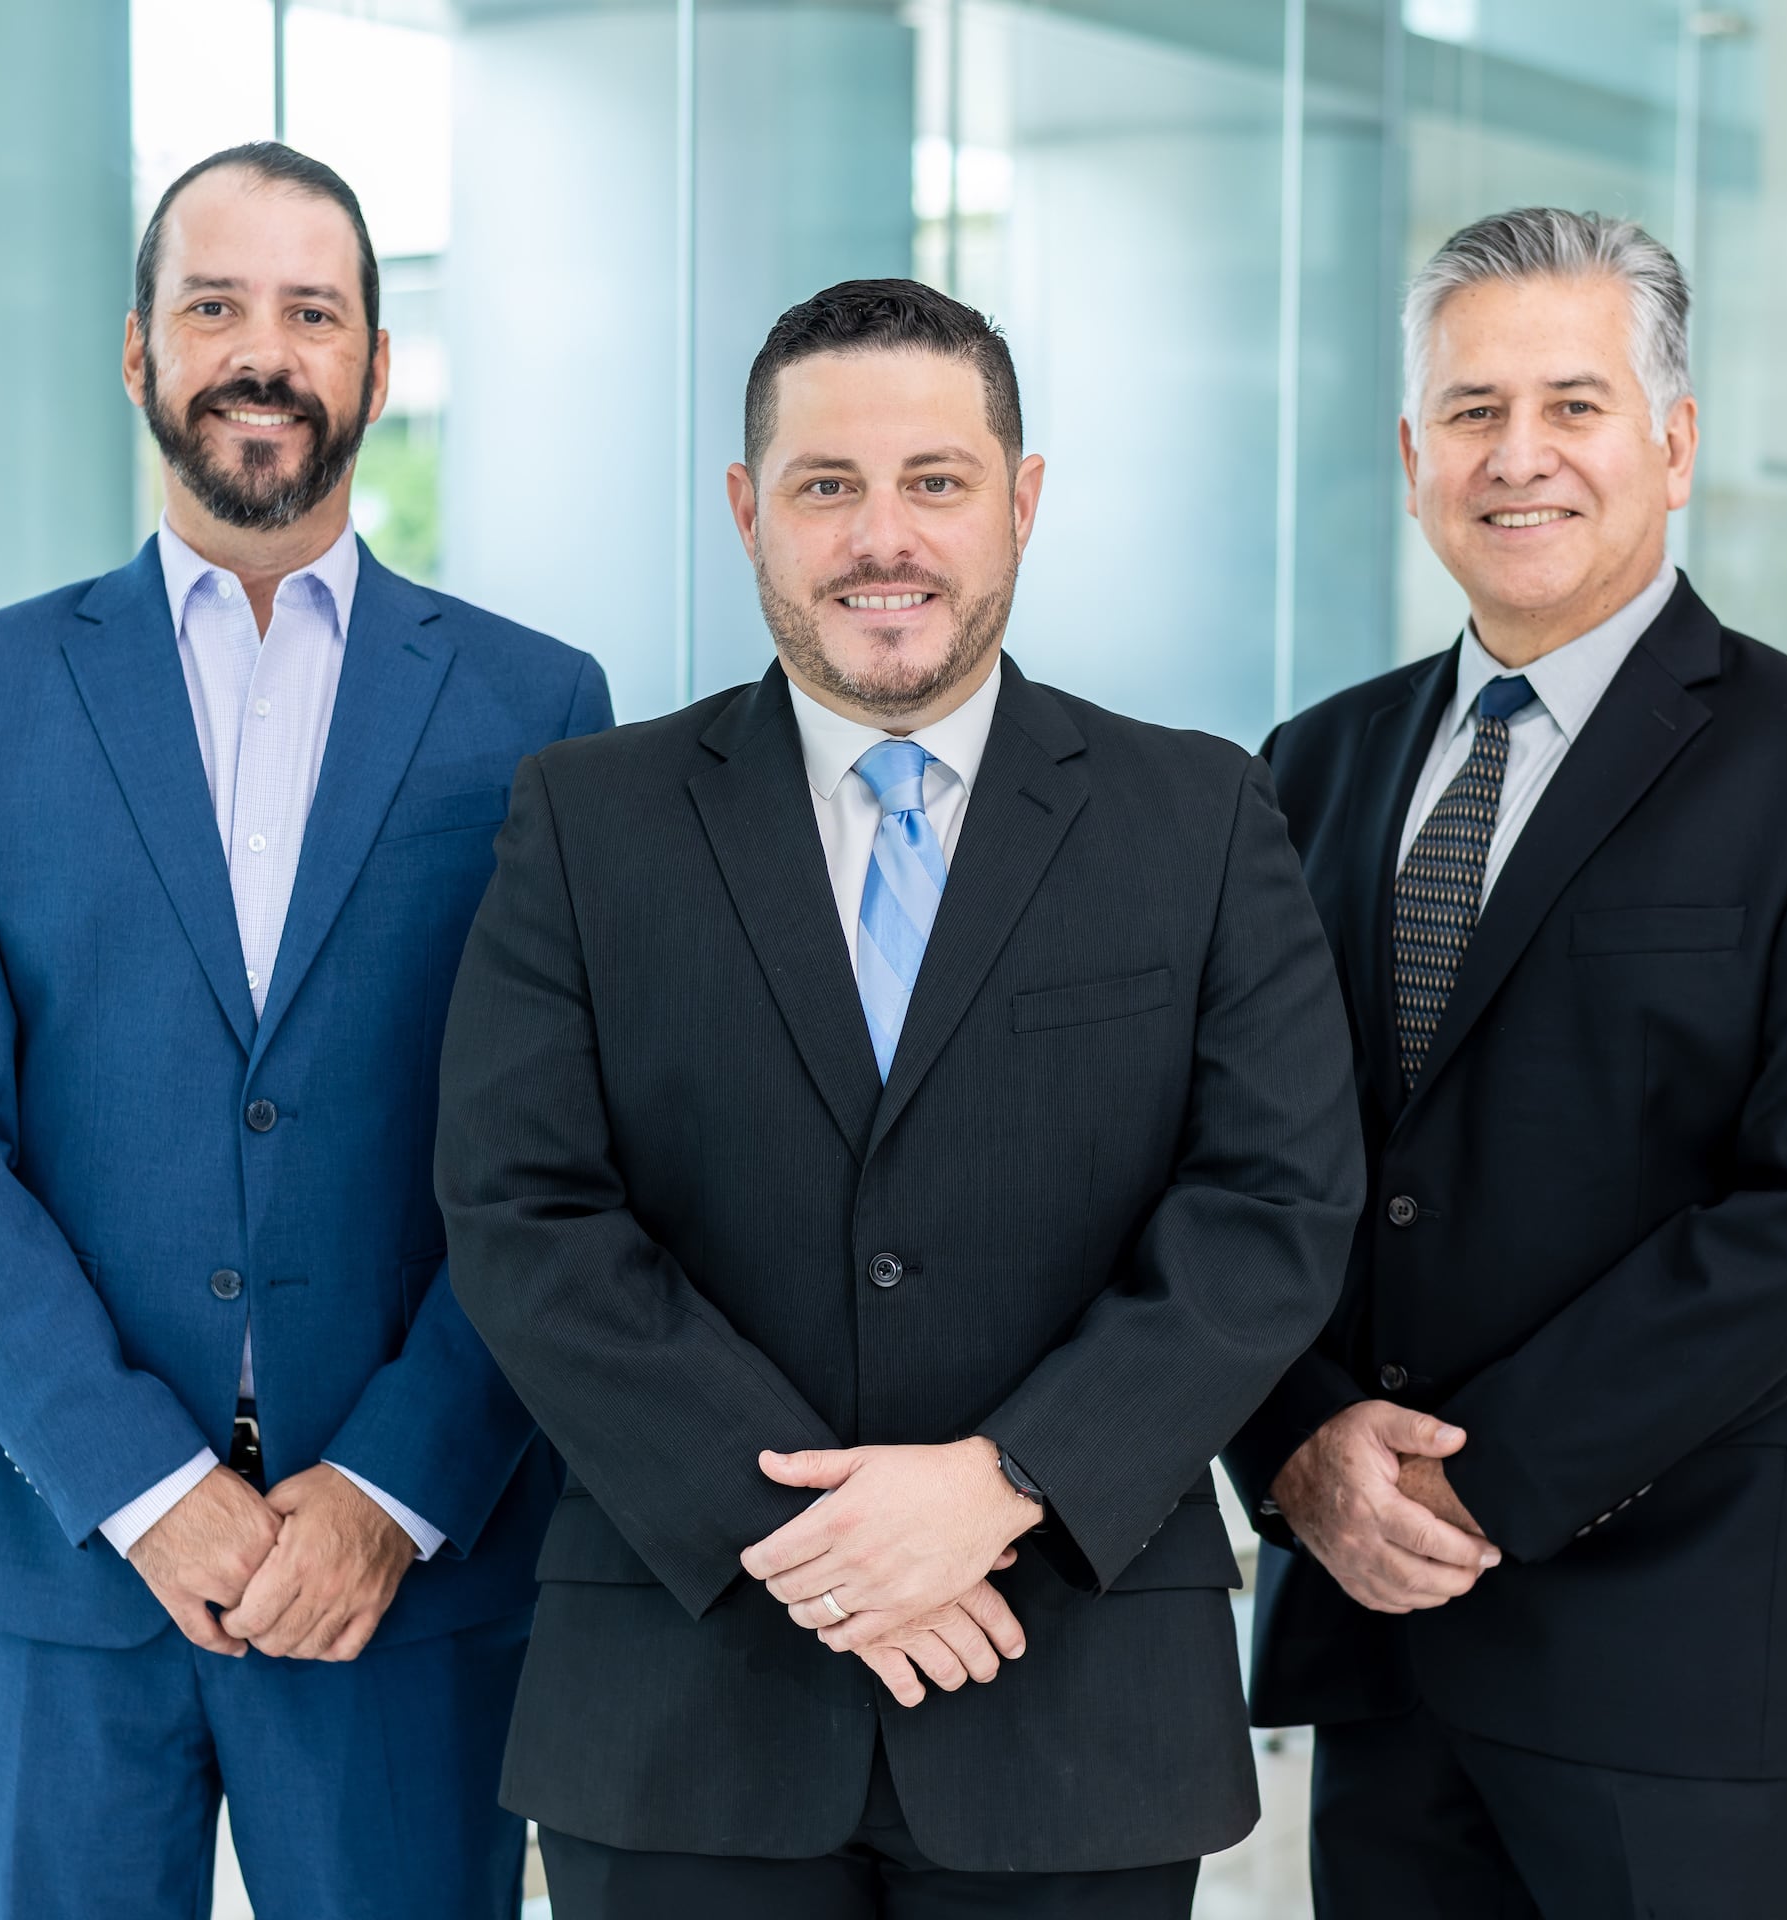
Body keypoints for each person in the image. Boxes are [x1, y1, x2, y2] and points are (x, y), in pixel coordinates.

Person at [435, 277, 1364, 1919]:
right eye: (826, 485)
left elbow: (1270, 1209)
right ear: (747, 510)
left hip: (1072, 1696)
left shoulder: (1200, 816)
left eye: (937, 480)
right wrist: (823, 1540)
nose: (886, 538)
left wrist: (1004, 1483)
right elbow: (526, 1211)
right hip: (683, 1700)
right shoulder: (589, 819)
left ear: (1023, 500)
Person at [0, 142, 611, 1920]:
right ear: (138, 354)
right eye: (213, 306)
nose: (261, 352)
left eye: (311, 311)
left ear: (371, 366)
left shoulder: (533, 703)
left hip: (408, 1564)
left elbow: (561, 1151)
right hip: (64, 1548)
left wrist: (391, 1490)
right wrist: (145, 1484)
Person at [1222, 207, 1787, 1918]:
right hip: (1374, 1634)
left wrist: (1465, 1481)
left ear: (1673, 444)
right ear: (1415, 456)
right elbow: (1238, 1156)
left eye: (1575, 403)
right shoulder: (1306, 767)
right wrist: (1302, 1449)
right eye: (1473, 411)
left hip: (1673, 1648)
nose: (1519, 456)